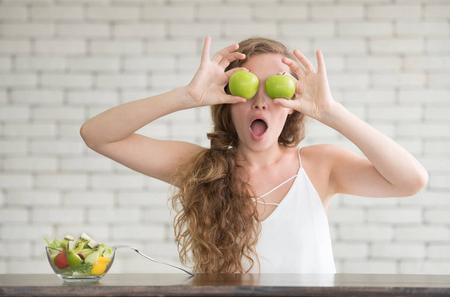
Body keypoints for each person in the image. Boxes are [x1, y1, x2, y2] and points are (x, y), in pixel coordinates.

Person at [80, 36, 428, 274]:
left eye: (276, 86)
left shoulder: (320, 166)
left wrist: (332, 112)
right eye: (247, 87)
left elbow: (411, 180)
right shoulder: (203, 168)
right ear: (227, 101)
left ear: (292, 105)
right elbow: (97, 136)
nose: (260, 101)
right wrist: (186, 96)